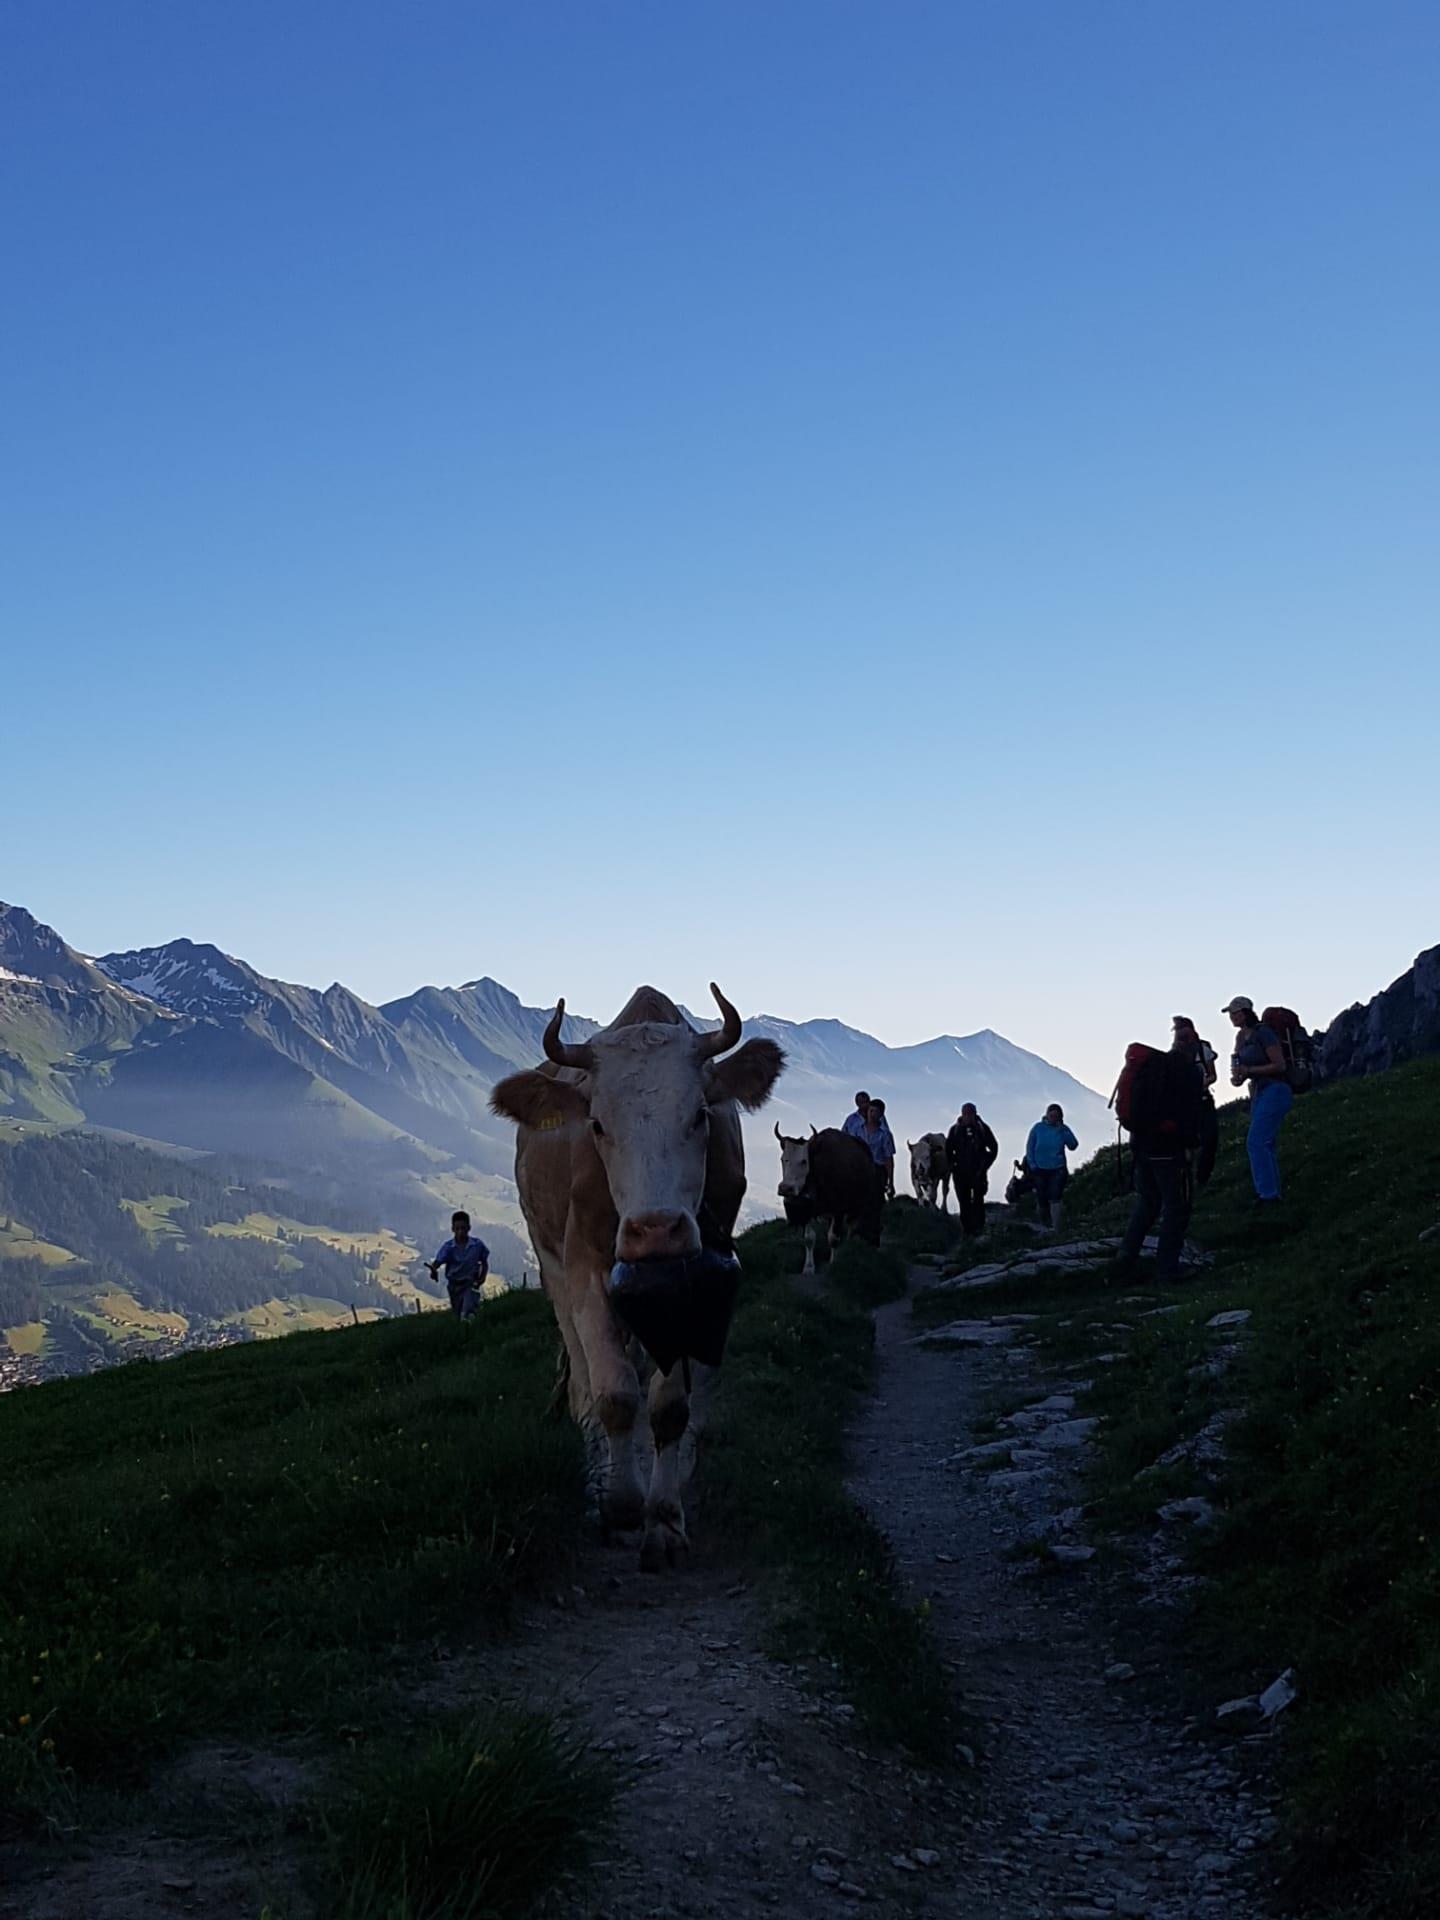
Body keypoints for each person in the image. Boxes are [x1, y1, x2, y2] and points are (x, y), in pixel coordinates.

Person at [1223, 996, 1292, 1203]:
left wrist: (1249, 1070)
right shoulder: (1240, 1038)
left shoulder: (1264, 1033)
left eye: (1235, 1013)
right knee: (1265, 1143)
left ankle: (1268, 1195)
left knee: (1257, 1142)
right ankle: (1272, 1192)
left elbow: (1280, 1065)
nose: (1232, 1017)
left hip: (1275, 1088)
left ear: (1245, 1012)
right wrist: (1239, 1076)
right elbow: (1240, 1066)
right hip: (1259, 1092)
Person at [1172, 1014, 1220, 1188]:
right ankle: (1193, 1179)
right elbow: (1212, 1076)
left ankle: (1196, 1179)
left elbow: (1212, 1075)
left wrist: (1199, 1085)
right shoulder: (1179, 1054)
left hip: (1197, 1101)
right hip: (1195, 1101)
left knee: (1207, 1139)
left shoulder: (1199, 1050)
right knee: (1197, 1141)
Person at [946, 1103, 999, 1238]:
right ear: (962, 1114)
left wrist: (985, 1165)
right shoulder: (955, 1130)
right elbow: (948, 1149)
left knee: (978, 1202)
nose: (968, 1117)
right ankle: (967, 1232)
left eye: (970, 1114)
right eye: (966, 1114)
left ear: (975, 1114)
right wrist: (953, 1166)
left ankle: (979, 1231)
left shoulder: (982, 1129)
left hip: (978, 1172)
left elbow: (994, 1148)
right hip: (960, 1173)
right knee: (964, 1203)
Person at [1024, 1103, 1079, 1233]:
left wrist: (1063, 1131)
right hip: (1039, 1169)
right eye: (1051, 1115)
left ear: (1060, 1117)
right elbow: (1030, 1148)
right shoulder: (1038, 1128)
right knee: (1041, 1198)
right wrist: (1032, 1165)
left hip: (1057, 1169)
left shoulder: (1063, 1129)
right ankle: (1044, 1225)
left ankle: (1057, 1228)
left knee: (1055, 1197)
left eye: (1056, 1116)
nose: (1053, 1118)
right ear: (1047, 1115)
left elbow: (1073, 1145)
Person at [427, 1210, 490, 1318]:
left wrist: (482, 1278)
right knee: (457, 1314)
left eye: (463, 1228)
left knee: (468, 1312)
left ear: (469, 1228)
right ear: (453, 1229)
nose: (460, 1232)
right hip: (454, 1287)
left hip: (470, 1284)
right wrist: (433, 1270)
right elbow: (438, 1262)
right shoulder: (449, 1247)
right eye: (457, 1229)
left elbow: (484, 1261)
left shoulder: (477, 1245)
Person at [859, 1098, 897, 1204]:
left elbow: (888, 1158)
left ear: (881, 1115)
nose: (872, 1114)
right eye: (870, 1111)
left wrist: (890, 1181)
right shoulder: (858, 1129)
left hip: (877, 1170)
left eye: (875, 1112)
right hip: (859, 1169)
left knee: (875, 1201)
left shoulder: (885, 1134)